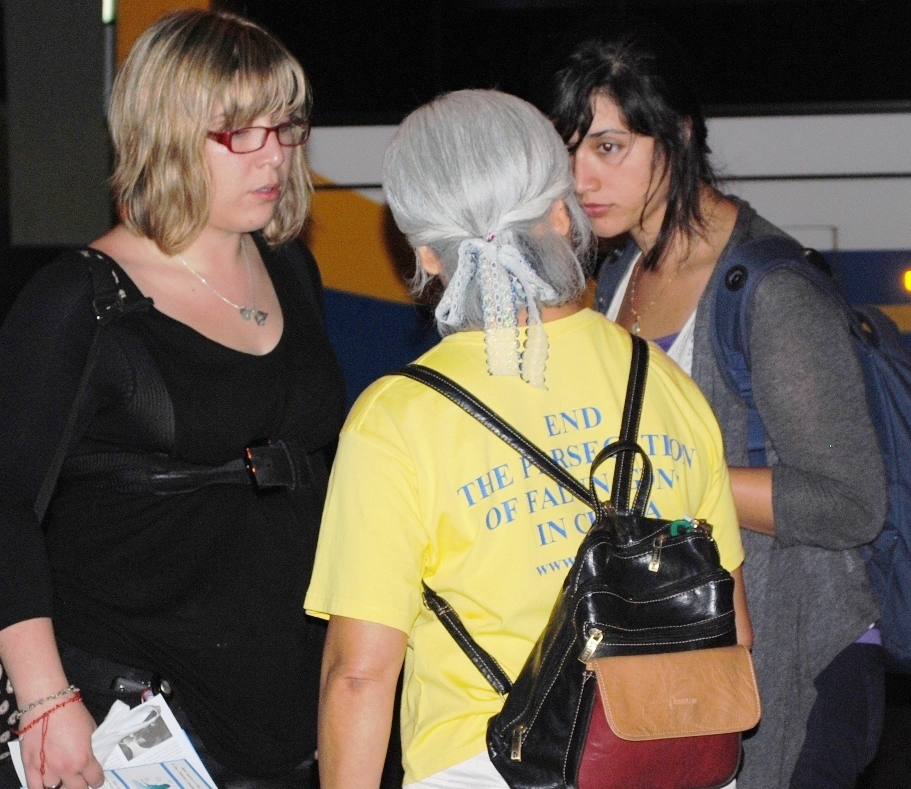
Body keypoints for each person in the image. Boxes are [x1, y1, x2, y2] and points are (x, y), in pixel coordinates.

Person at [304, 89, 750, 789]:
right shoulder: (662, 380)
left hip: (486, 767)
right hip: (669, 758)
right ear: (560, 213)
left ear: (426, 253)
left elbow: (359, 676)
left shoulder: (395, 420)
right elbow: (730, 631)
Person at [0, 9, 345, 789]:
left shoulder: (289, 267)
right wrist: (45, 701)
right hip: (137, 709)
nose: (273, 154)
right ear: (165, 135)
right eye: (239, 133)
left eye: (284, 126)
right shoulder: (81, 300)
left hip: (283, 698)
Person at [549, 32, 889, 789]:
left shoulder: (770, 292)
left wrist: (674, 480)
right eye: (569, 153)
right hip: (693, 653)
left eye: (609, 147)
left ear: (677, 134)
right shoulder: (618, 275)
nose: (582, 179)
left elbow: (850, 503)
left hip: (802, 655)